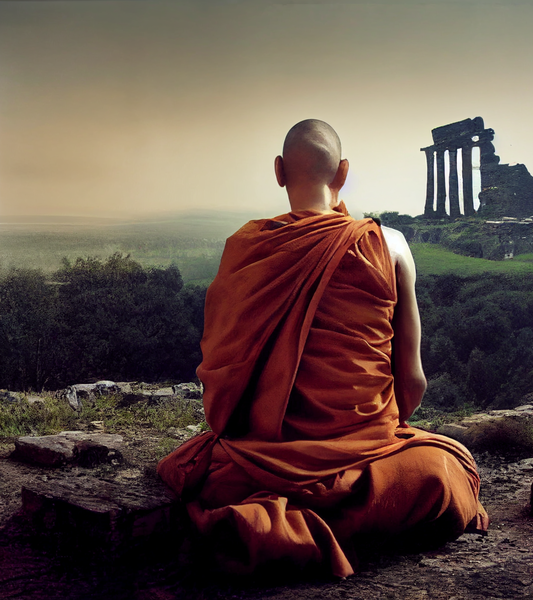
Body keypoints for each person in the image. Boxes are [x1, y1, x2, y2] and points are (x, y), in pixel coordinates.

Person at [158, 119, 488, 578]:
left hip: (263, 458)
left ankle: (277, 519)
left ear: (278, 171)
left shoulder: (245, 249)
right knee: (442, 471)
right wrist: (365, 431)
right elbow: (411, 386)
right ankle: (351, 508)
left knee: (209, 473)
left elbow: (222, 395)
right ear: (344, 172)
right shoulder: (390, 246)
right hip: (363, 448)